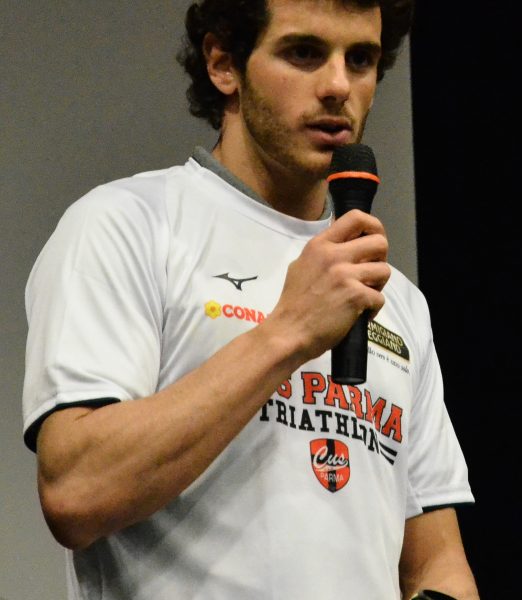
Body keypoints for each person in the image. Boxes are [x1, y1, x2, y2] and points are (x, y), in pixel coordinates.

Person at [22, 1, 479, 598]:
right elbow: (76, 493)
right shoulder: (129, 226)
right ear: (223, 64)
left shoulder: (400, 301)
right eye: (304, 52)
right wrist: (288, 333)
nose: (339, 86)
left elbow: (436, 566)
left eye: (361, 59)